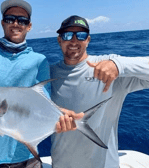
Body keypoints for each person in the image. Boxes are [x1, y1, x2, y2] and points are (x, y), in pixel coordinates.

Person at [0, 0, 83, 168]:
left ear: (29, 26)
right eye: (10, 18)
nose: (15, 24)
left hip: (27, 158)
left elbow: (42, 102)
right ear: (2, 23)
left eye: (22, 20)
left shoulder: (39, 61)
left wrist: (61, 117)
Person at [50, 15, 149, 168]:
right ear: (59, 40)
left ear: (88, 40)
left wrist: (119, 64)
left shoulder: (110, 68)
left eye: (81, 35)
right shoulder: (49, 73)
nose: (74, 41)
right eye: (68, 35)